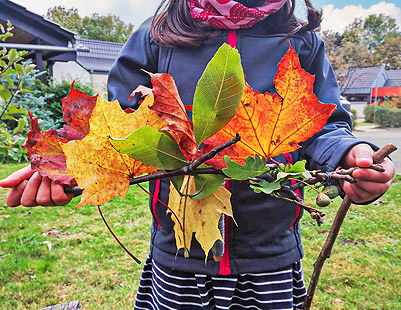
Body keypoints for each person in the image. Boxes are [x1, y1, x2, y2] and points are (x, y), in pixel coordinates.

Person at [0, 0, 395, 309]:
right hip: (180, 258)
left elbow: (324, 126)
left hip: (270, 257)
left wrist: (349, 155)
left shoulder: (300, 42)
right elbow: (113, 130)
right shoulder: (155, 38)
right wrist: (69, 168)